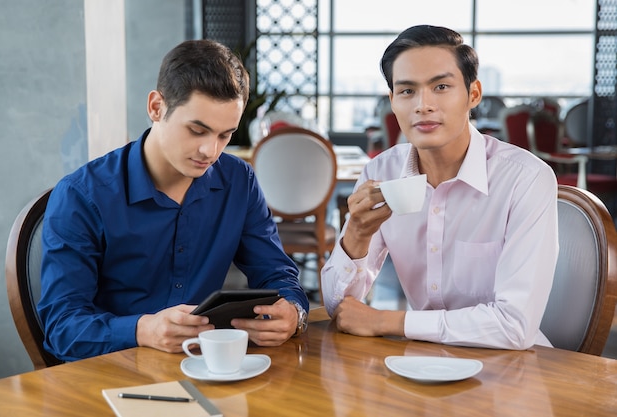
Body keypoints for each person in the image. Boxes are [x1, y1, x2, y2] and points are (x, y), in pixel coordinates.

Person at [38, 39, 309, 362]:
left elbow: (277, 274)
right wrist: (142, 330)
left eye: (225, 135)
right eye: (197, 130)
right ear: (156, 107)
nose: (210, 151)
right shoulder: (81, 196)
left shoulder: (239, 181)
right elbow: (62, 328)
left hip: (204, 369)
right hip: (109, 376)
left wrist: (293, 313)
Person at [321, 25, 559, 350]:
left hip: (511, 372)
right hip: (419, 367)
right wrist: (356, 237)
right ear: (392, 101)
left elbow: (514, 326)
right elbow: (341, 310)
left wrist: (388, 321)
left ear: (473, 94)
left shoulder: (525, 180)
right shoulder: (381, 173)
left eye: (441, 86)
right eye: (407, 91)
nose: (423, 105)